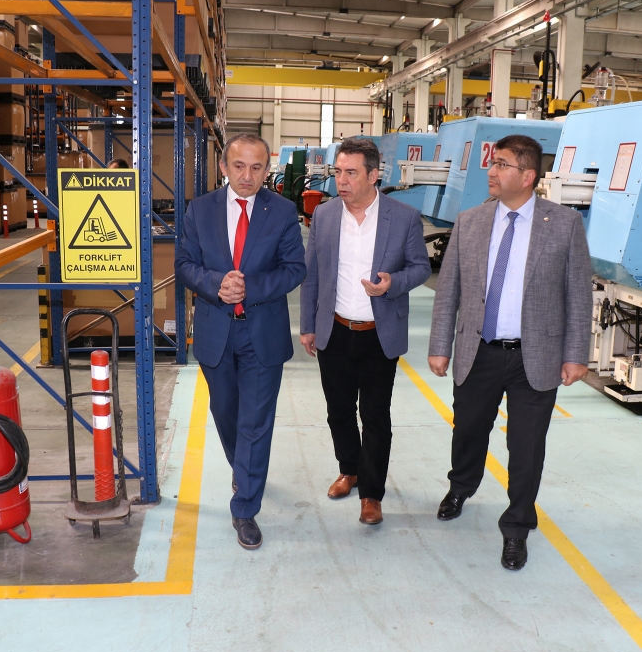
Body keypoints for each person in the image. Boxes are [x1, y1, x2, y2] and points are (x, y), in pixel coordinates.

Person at [427, 134, 591, 571]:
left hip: (534, 356)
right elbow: (449, 290)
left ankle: (517, 525)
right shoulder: (470, 221)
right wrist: (440, 345)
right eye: (492, 163)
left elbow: (578, 294)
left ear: (528, 175)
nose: (492, 171)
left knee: (526, 446)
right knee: (468, 431)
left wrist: (576, 353)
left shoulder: (564, 224)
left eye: (501, 164)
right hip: (478, 351)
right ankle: (461, 485)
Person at [175, 133, 306, 550]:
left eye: (256, 167)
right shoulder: (200, 210)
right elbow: (184, 265)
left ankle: (245, 507)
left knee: (255, 422)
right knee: (226, 413)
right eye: (238, 166)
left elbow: (294, 268)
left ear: (267, 170)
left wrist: (251, 288)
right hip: (216, 331)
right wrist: (217, 284)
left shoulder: (281, 211)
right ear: (223, 167)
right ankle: (243, 467)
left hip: (262, 332)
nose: (247, 175)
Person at [299, 138, 430, 525]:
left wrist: (393, 283)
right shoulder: (324, 215)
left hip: (379, 333)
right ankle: (349, 470)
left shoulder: (403, 217)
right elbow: (312, 275)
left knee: (375, 416)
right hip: (335, 330)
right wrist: (308, 326)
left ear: (374, 175)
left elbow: (420, 267)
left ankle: (372, 493)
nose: (341, 180)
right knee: (338, 412)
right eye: (338, 172)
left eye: (351, 173)